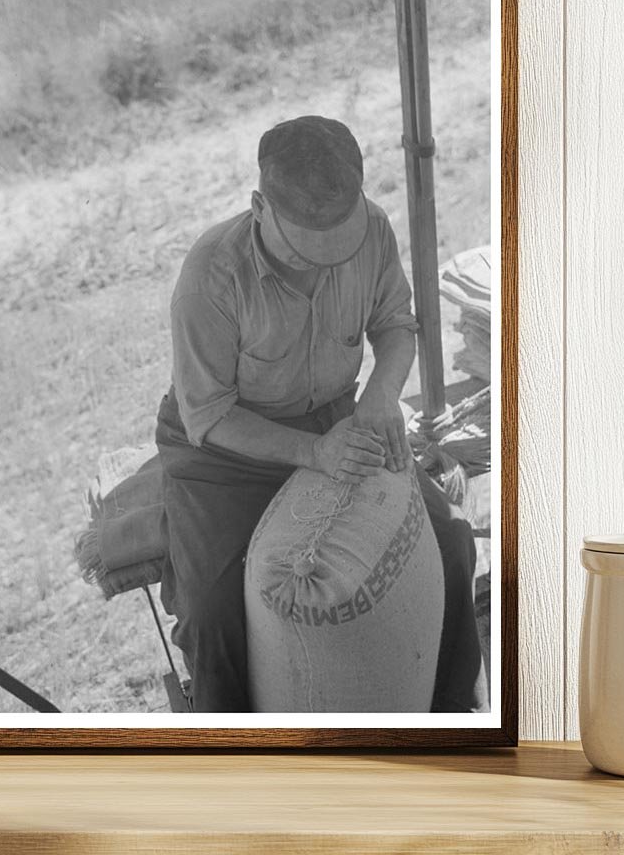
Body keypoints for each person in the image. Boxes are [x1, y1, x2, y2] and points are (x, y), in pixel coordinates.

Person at [154, 114, 487, 714]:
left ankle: (451, 714)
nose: (325, 262)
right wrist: (311, 453)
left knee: (452, 541)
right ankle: (231, 762)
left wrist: (382, 393)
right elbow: (210, 415)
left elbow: (394, 326)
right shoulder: (210, 278)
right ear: (259, 207)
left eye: (341, 240)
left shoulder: (375, 228)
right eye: (307, 246)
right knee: (213, 613)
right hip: (224, 455)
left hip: (338, 421)